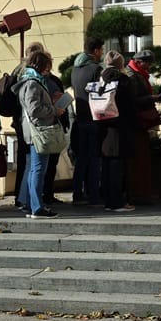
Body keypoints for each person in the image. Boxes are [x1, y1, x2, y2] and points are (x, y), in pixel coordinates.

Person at [17, 49, 62, 218]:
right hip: (38, 131)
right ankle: (37, 207)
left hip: (33, 130)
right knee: (38, 169)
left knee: (34, 169)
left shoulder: (30, 81)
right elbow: (34, 109)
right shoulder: (32, 83)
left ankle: (31, 204)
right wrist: (54, 110)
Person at [92, 51, 138, 213]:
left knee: (106, 167)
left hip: (102, 128)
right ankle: (118, 202)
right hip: (120, 128)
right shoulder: (124, 81)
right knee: (118, 168)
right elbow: (131, 106)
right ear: (120, 64)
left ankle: (108, 201)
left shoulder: (99, 79)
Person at [68, 37, 105, 208]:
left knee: (81, 159)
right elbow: (99, 93)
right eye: (101, 50)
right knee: (94, 159)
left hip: (80, 118)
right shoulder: (95, 69)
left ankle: (77, 194)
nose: (102, 54)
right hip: (93, 118)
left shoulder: (75, 69)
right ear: (96, 51)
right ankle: (94, 196)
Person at [125, 50, 161, 204]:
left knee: (141, 157)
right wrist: (151, 98)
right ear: (140, 62)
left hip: (138, 122)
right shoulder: (133, 75)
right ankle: (139, 194)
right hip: (137, 122)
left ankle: (141, 192)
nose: (150, 66)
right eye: (148, 63)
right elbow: (133, 100)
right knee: (139, 158)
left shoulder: (136, 73)